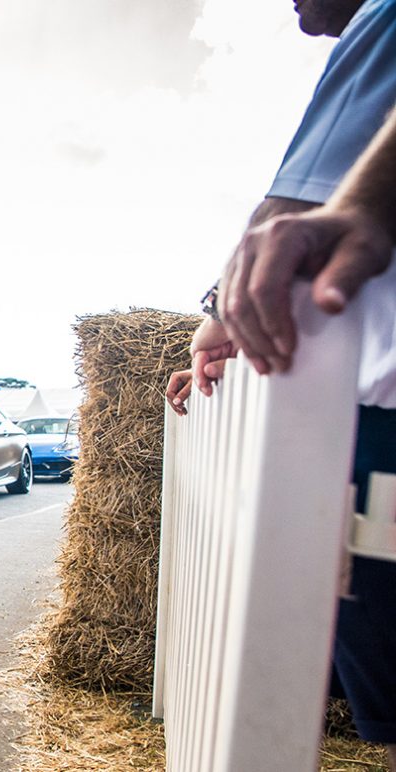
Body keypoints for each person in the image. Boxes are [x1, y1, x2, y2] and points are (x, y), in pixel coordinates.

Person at [164, 0, 396, 761]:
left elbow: (284, 217)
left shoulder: (382, 22)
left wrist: (227, 310)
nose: (292, 9)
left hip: (377, 416)